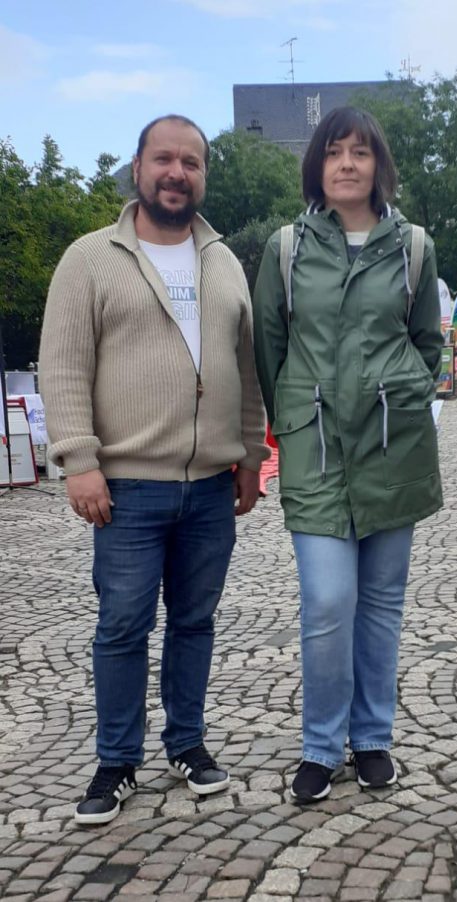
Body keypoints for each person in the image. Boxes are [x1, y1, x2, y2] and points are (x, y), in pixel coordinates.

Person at [39, 114, 269, 825]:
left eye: (192, 162)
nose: (178, 172)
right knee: (123, 625)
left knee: (195, 622)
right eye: (164, 159)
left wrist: (251, 452)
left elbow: (247, 368)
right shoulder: (90, 258)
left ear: (203, 176)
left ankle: (187, 744)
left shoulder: (224, 261)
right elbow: (64, 366)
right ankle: (116, 761)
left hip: (208, 486)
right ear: (137, 169)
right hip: (128, 487)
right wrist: (79, 462)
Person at [252, 106, 443, 804]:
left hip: (395, 448)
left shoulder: (414, 246)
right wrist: (293, 417)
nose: (347, 164)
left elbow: (428, 340)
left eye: (360, 152)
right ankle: (319, 745)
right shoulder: (286, 249)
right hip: (319, 448)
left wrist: (411, 388)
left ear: (377, 165)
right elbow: (268, 347)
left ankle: (372, 740)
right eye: (334, 152)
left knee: (382, 605)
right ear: (317, 165)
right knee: (329, 599)